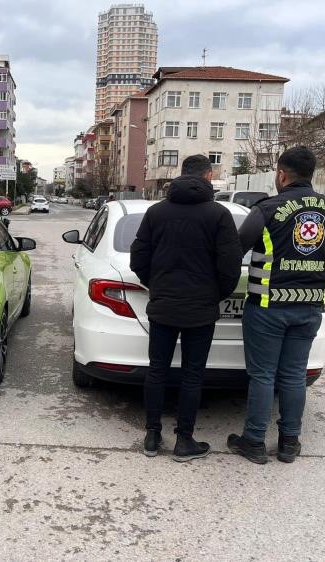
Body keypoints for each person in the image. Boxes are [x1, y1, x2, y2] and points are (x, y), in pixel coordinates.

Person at [227, 146, 325, 464]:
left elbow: (236, 248)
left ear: (281, 174)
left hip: (267, 305)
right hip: (310, 308)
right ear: (311, 173)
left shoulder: (268, 209)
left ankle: (253, 442)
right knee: (293, 375)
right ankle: (289, 443)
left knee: (263, 375)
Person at [130, 155, 242, 461]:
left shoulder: (156, 212)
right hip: (201, 308)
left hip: (163, 304)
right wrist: (216, 294)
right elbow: (230, 266)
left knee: (157, 369)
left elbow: (138, 258)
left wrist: (156, 285)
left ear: (182, 175)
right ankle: (184, 441)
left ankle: (152, 437)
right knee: (193, 374)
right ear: (208, 176)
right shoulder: (219, 215)